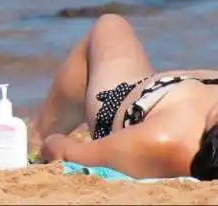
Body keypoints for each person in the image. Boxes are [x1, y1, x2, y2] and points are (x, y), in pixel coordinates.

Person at [33, 13, 218, 179]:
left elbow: (63, 153)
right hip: (169, 94)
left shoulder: (165, 142)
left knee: (110, 25)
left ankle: (37, 134)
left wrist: (49, 141)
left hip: (122, 101)